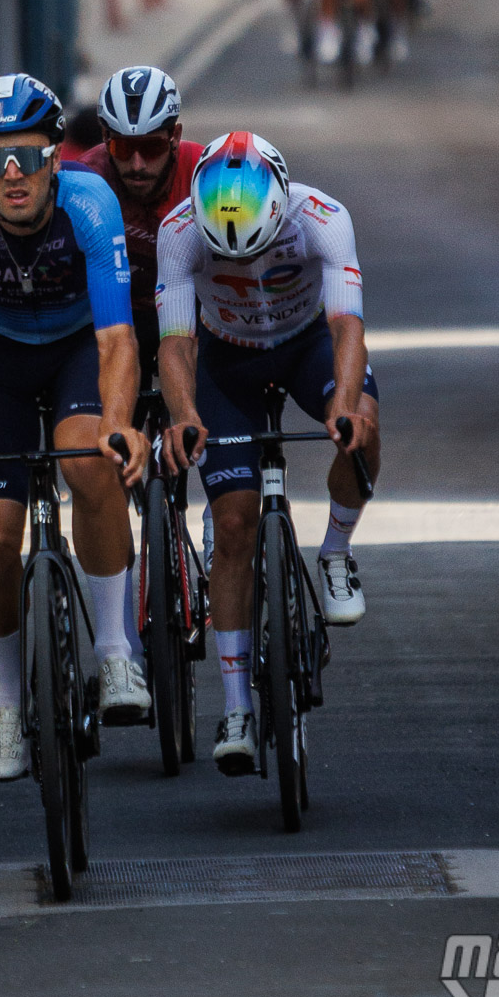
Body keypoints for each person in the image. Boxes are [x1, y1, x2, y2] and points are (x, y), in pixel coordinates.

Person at [0, 73, 151, 782]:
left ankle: (114, 654)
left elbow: (117, 341)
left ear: (53, 158)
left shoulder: (91, 201)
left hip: (78, 349)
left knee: (90, 461)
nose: (10, 175)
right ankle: (7, 702)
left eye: (25, 157)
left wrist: (117, 424)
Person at [156, 132, 381, 775]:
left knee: (363, 420)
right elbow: (175, 344)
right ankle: (235, 707)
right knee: (232, 524)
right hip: (225, 362)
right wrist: (186, 415)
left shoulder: (323, 217)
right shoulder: (180, 232)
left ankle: (336, 552)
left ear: (279, 208)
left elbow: (347, 325)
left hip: (305, 339)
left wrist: (342, 404)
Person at [81, 67, 203, 382]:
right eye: (122, 148)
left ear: (174, 136)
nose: (137, 164)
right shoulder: (86, 180)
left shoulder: (204, 174)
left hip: (193, 311)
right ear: (105, 137)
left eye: (151, 148)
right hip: (116, 316)